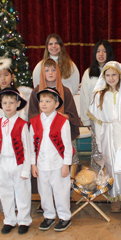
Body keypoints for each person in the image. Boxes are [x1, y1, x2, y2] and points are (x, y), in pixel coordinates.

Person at [88, 61, 121, 211]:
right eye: (108, 75)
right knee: (111, 164)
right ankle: (115, 196)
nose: (111, 78)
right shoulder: (100, 94)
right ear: (104, 76)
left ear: (119, 75)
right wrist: (100, 142)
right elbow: (98, 122)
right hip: (106, 132)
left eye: (114, 74)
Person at [30, 88, 73, 232]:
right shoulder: (35, 121)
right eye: (41, 101)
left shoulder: (62, 121)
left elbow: (67, 144)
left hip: (58, 164)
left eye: (48, 101)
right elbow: (31, 145)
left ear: (56, 104)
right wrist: (33, 164)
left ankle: (64, 217)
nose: (43, 104)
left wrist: (66, 164)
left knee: (61, 191)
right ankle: (48, 215)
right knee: (44, 192)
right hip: (41, 165)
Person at [0, 87, 32, 235]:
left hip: (18, 163)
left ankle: (24, 220)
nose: (8, 106)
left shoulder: (22, 124)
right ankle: (9, 219)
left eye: (11, 103)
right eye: (5, 103)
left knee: (22, 193)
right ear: (1, 105)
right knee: (5, 192)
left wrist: (26, 169)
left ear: (17, 104)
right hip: (2, 163)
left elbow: (27, 148)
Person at [80, 41, 115, 168]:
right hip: (95, 118)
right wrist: (86, 120)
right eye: (98, 51)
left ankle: (113, 178)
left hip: (112, 118)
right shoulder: (88, 73)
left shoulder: (115, 71)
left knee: (112, 147)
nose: (101, 54)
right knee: (97, 150)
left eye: (104, 51)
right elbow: (84, 97)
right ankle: (98, 180)